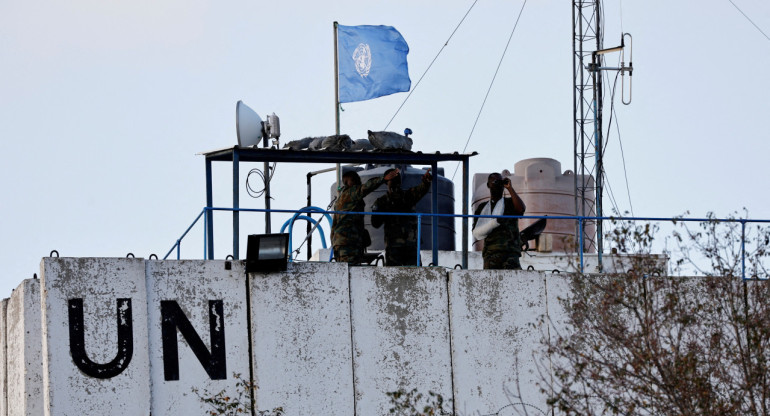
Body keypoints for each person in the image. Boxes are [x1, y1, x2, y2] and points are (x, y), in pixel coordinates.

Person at [331, 169, 400, 264]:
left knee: (344, 272)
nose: (358, 182)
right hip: (349, 243)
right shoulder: (351, 192)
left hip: (341, 243)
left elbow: (334, 225)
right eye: (355, 180)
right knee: (351, 272)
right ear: (347, 182)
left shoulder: (339, 200)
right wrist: (383, 179)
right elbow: (367, 187)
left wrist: (334, 242)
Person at [371, 168, 432, 266]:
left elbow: (422, 188)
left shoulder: (408, 195)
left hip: (410, 245)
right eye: (392, 179)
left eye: (396, 179)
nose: (395, 182)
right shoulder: (382, 202)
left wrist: (426, 181)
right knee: (394, 275)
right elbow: (375, 223)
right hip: (394, 245)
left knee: (415, 275)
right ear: (386, 182)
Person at [472, 173, 526, 270]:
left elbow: (521, 209)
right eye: (494, 181)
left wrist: (510, 188)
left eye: (500, 182)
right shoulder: (482, 208)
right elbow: (476, 232)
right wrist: (494, 223)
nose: (498, 185)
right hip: (491, 253)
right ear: (488, 185)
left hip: (511, 253)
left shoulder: (510, 203)